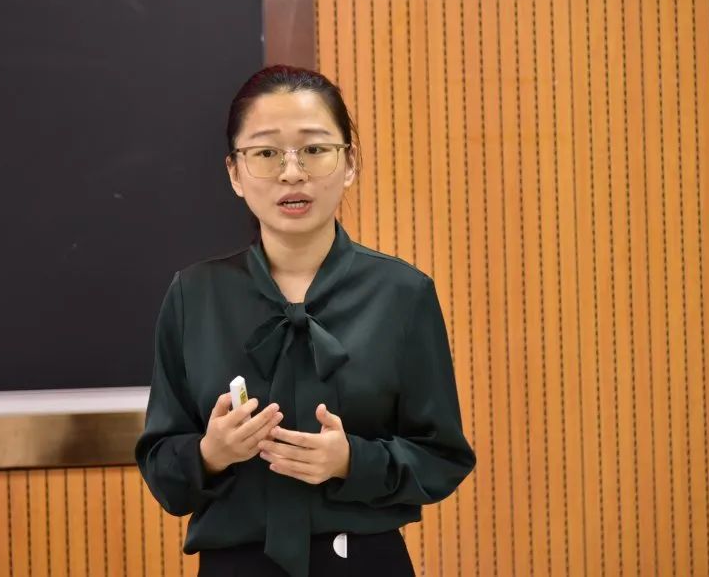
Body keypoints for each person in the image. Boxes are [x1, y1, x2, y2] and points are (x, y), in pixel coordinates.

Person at [134, 65, 476, 577]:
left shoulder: (403, 294)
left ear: (349, 163)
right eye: (266, 153)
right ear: (235, 172)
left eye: (314, 149)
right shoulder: (194, 296)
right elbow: (162, 467)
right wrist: (211, 453)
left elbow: (442, 457)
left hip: (363, 562)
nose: (292, 172)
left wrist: (351, 462)